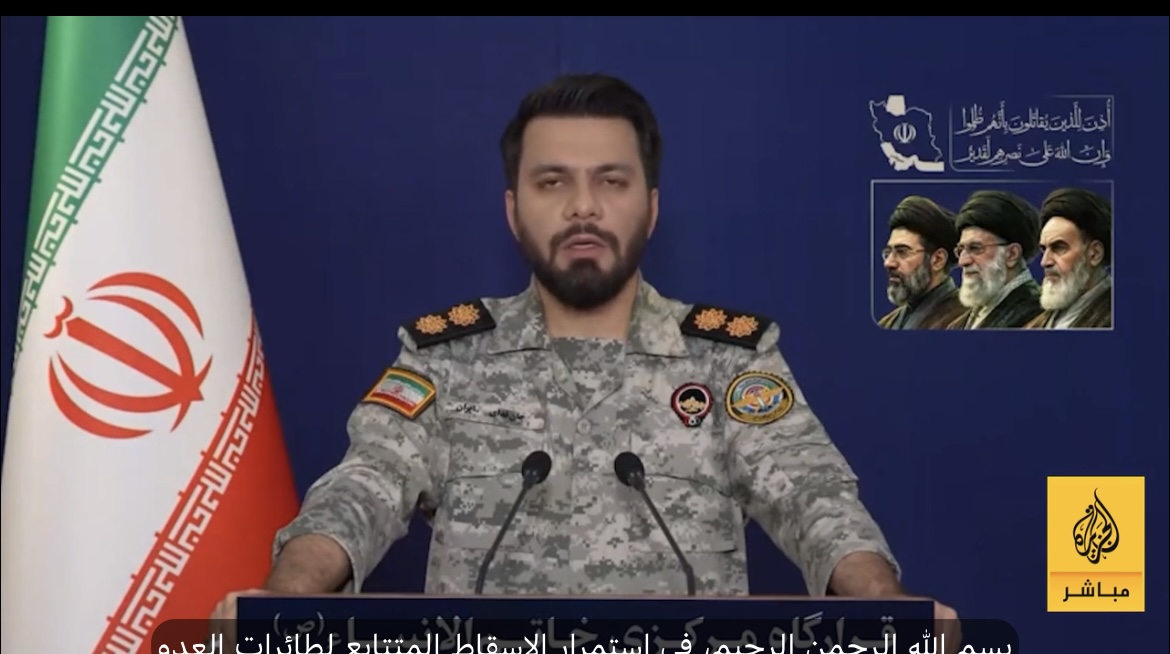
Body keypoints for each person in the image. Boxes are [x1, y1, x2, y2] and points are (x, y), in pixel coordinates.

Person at [213, 72, 958, 636]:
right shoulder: (445, 357)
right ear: (514, 211)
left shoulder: (729, 360)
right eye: (552, 182)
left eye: (611, 180)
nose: (583, 207)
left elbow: (812, 496)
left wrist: (887, 609)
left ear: (650, 207)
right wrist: (284, 600)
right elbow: (366, 485)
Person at [947, 190, 1043, 329]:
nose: (963, 261)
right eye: (961, 250)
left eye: (975, 248)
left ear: (1012, 254)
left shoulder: (1038, 316)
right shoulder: (960, 324)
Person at [1025, 187, 1113, 329]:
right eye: (1044, 249)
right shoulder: (1036, 324)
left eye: (1059, 248)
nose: (1045, 262)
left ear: (1095, 254)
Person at [877, 195, 964, 329]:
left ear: (938, 260)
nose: (889, 263)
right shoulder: (887, 323)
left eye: (902, 252)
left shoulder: (967, 320)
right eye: (888, 253)